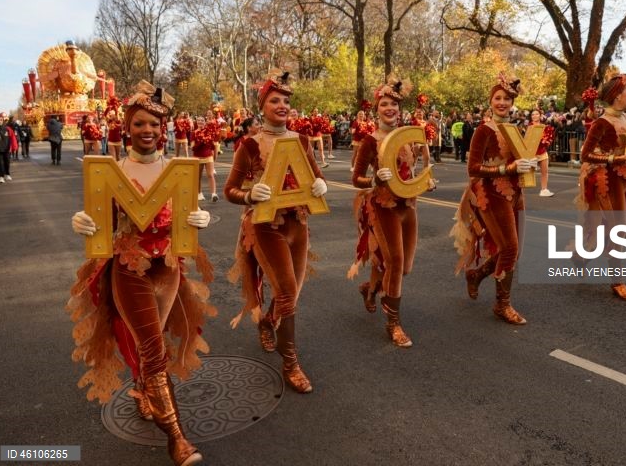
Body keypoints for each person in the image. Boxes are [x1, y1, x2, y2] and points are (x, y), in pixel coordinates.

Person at [69, 81, 214, 466]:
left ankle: (142, 387)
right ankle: (178, 438)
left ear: (163, 128)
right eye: (139, 124)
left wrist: (202, 217)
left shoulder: (178, 171)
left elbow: (186, 218)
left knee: (154, 343)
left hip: (167, 269)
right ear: (127, 128)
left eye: (154, 123)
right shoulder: (112, 171)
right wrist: (82, 220)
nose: (147, 130)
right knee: (152, 347)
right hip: (129, 267)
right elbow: (101, 219)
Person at [225, 71, 327, 393]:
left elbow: (315, 176)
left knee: (292, 294)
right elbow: (230, 190)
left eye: (286, 101)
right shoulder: (250, 146)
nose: (282, 105)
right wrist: (249, 195)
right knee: (286, 293)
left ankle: (269, 321)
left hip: (298, 223)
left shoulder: (301, 141)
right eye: (274, 100)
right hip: (266, 227)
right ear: (262, 105)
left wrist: (321, 185)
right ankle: (291, 364)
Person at [348, 77, 435, 347]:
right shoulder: (369, 141)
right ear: (377, 109)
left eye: (394, 104)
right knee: (395, 263)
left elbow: (414, 172)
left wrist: (427, 182)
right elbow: (357, 179)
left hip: (408, 206)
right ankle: (393, 324)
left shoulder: (408, 137)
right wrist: (374, 181)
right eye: (384, 104)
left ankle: (370, 287)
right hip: (383, 207)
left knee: (404, 267)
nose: (390, 108)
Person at [450, 73, 535, 323]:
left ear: (513, 102)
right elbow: (473, 168)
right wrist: (505, 169)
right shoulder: (483, 131)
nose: (502, 103)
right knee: (510, 248)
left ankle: (477, 275)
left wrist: (527, 165)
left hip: (515, 192)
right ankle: (502, 305)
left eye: (507, 99)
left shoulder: (515, 129)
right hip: (491, 193)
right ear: (490, 102)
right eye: (497, 98)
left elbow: (519, 160)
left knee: (513, 250)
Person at [575, 70, 626, 301]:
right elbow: (585, 155)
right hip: (607, 180)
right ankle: (617, 280)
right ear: (617, 97)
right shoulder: (602, 122)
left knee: (623, 227)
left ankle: (581, 256)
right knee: (618, 230)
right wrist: (613, 159)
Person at [191, 116, 218, 202]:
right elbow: (192, 147)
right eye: (198, 120)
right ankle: (199, 193)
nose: (200, 122)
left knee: (210, 175)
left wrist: (211, 145)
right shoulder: (193, 133)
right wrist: (200, 142)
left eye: (202, 120)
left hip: (208, 155)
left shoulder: (209, 132)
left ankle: (213, 194)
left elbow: (213, 145)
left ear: (205, 122)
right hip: (197, 156)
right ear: (196, 122)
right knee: (198, 177)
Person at [529, 109, 555, 196]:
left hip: (542, 152)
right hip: (532, 153)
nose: (534, 116)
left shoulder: (545, 127)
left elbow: (548, 140)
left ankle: (544, 190)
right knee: (525, 173)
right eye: (533, 114)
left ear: (540, 116)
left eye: (536, 114)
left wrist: (546, 141)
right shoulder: (529, 127)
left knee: (545, 172)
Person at [0, 113, 17, 183]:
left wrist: (14, 146)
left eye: (1, 120)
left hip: (7, 149)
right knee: (0, 163)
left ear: (3, 121)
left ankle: (7, 174)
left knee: (7, 163)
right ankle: (1, 177)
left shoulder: (8, 129)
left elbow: (13, 138)